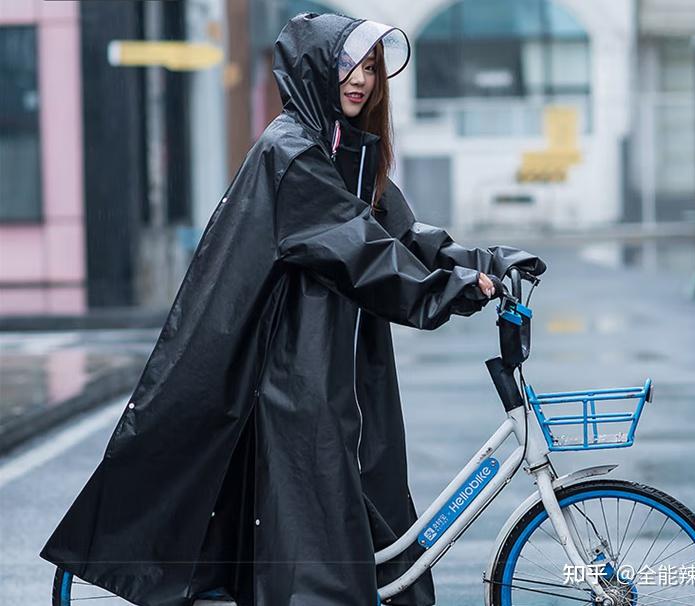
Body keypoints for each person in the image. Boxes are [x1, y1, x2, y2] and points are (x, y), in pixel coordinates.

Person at [39, 12, 546, 606]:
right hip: (295, 368)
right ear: (313, 71)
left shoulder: (345, 150)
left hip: (340, 362)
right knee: (318, 537)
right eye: (346, 65)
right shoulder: (294, 154)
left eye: (371, 68)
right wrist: (450, 289)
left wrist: (482, 260)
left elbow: (402, 234)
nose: (361, 79)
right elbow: (362, 252)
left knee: (367, 509)